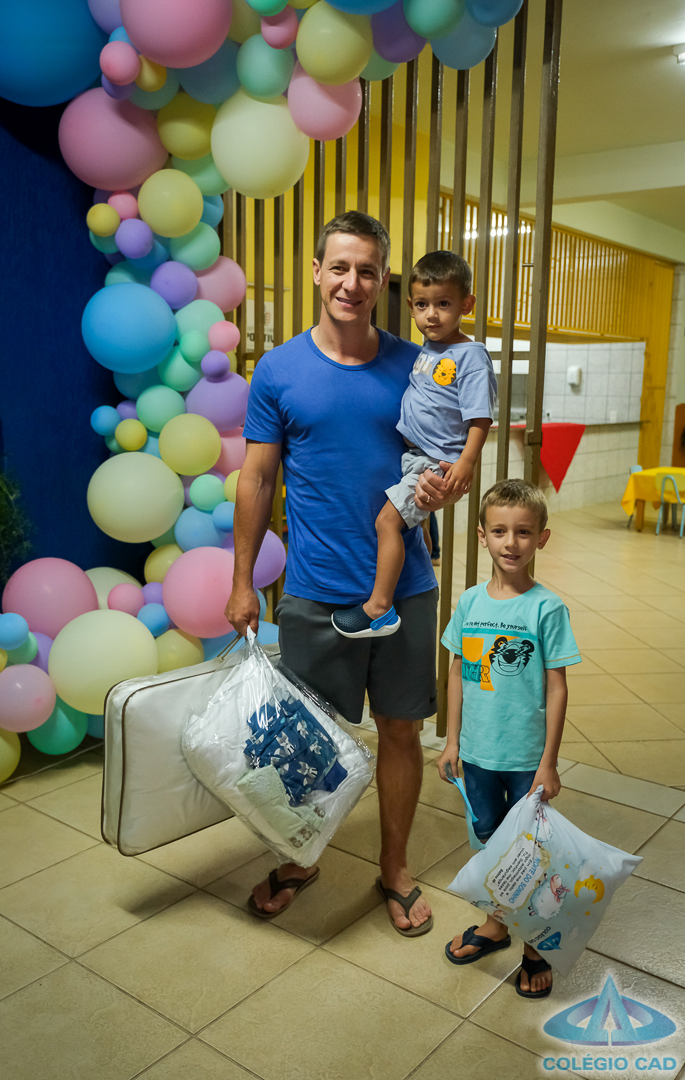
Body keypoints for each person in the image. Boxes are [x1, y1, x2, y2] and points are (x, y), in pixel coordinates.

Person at [225, 210, 443, 936]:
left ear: (384, 281)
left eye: (367, 270)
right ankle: (300, 858)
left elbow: (445, 458)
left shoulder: (417, 367)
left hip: (405, 589)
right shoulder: (279, 370)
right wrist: (242, 581)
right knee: (304, 737)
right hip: (316, 591)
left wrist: (448, 486)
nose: (352, 282)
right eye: (340, 267)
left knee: (402, 732)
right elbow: (257, 480)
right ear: (317, 271)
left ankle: (395, 867)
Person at [437, 478, 581, 998]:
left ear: (541, 538)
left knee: (529, 852)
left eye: (523, 532)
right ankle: (497, 924)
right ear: (482, 536)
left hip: (525, 759)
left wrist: (549, 762)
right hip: (477, 755)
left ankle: (535, 945)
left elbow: (558, 687)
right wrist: (452, 742)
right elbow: (458, 673)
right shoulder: (470, 602)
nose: (511, 542)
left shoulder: (546, 609)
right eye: (499, 531)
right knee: (490, 845)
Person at [331, 250, 496, 640]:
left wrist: (466, 462)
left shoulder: (470, 356)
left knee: (386, 522)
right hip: (414, 457)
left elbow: (480, 417)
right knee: (409, 527)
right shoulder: (428, 350)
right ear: (410, 307)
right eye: (422, 305)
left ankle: (379, 609)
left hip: (435, 462)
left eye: (444, 304)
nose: (432, 315)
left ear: (467, 304)